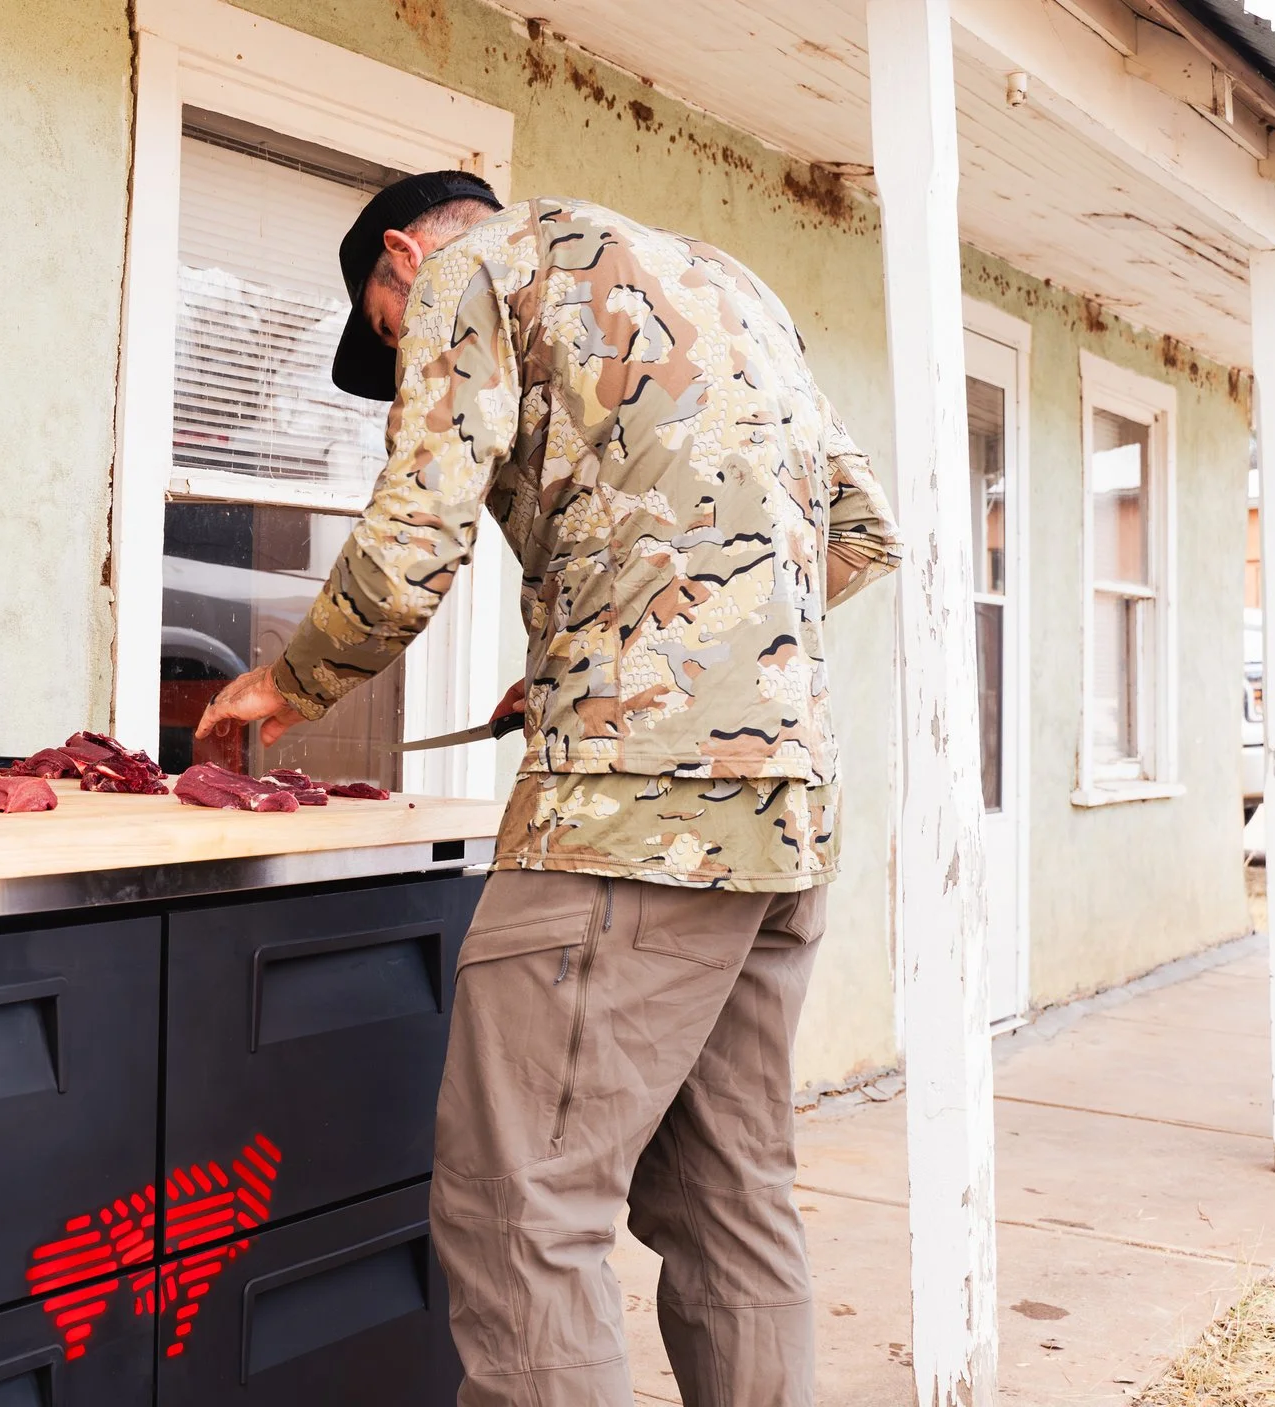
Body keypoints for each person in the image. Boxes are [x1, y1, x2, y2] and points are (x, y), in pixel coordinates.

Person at [194, 172, 902, 1407]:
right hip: (785, 814)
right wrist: (658, 642)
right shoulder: (729, 283)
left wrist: (285, 685)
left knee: (521, 1211)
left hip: (631, 820)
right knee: (728, 1198)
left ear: (402, 257)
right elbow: (861, 532)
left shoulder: (467, 272)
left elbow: (414, 537)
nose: (403, 355)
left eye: (386, 333)